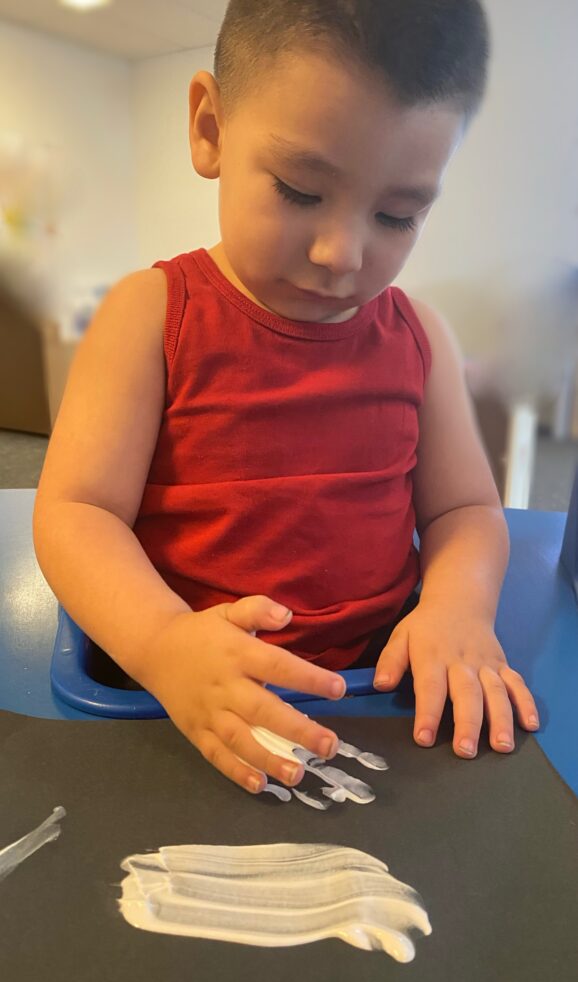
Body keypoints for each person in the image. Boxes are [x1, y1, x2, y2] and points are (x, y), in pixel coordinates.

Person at [33, 0, 540, 795]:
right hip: (188, 705)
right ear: (210, 128)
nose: (342, 254)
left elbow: (465, 512)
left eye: (397, 215)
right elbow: (77, 513)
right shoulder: (149, 314)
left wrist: (457, 607)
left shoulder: (420, 336)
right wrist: (165, 643)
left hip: (376, 702)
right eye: (302, 191)